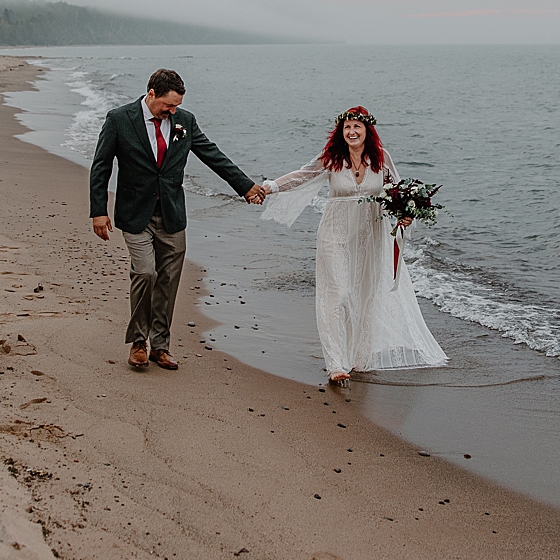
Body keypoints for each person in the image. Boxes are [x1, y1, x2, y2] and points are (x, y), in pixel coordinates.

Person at [89, 67, 267, 372]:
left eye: (176, 106)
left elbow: (212, 154)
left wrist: (245, 185)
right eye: (167, 105)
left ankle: (160, 346)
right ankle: (138, 342)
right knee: (146, 273)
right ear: (151, 94)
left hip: (172, 214)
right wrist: (98, 210)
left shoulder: (184, 121)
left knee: (168, 282)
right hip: (135, 214)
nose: (172, 111)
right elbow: (101, 164)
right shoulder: (119, 119)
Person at [260, 106, 447, 386]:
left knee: (364, 294)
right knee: (337, 294)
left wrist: (407, 214)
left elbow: (399, 192)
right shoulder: (332, 158)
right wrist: (271, 186)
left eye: (357, 127)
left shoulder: (381, 160)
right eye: (347, 127)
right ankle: (336, 364)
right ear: (341, 131)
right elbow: (302, 175)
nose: (352, 132)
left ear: (367, 131)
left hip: (370, 235)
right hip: (334, 232)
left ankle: (359, 358)